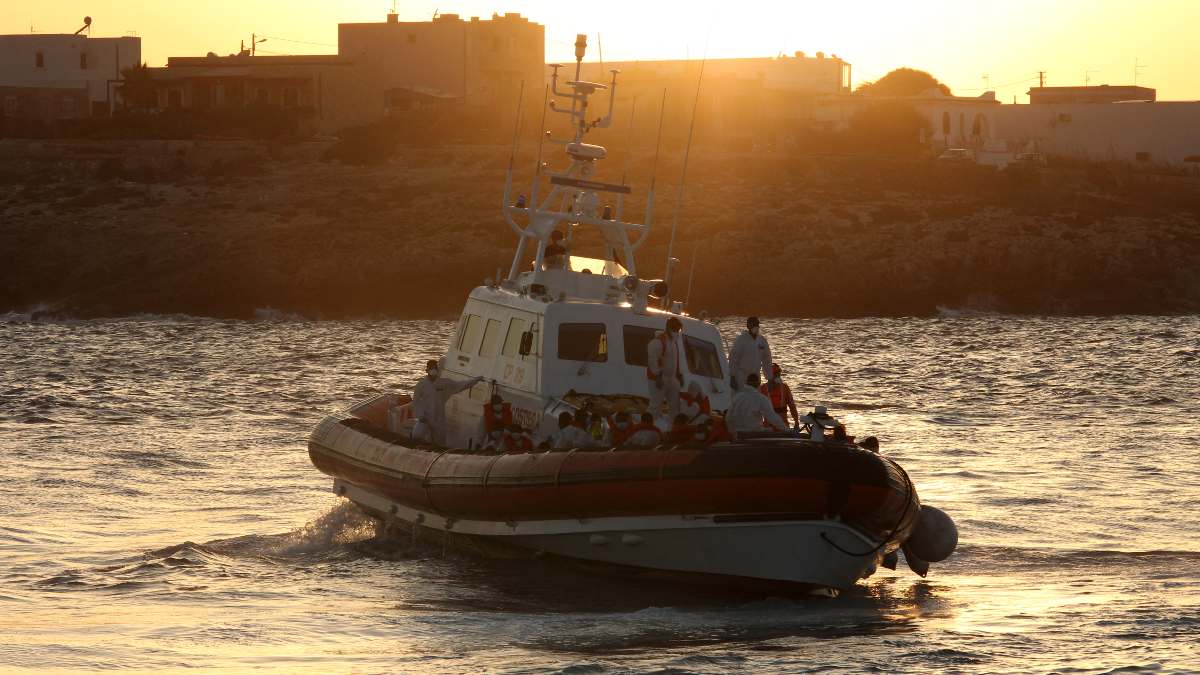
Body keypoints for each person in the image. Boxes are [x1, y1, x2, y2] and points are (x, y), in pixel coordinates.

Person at [412, 359, 483, 446]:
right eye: (431, 368)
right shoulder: (421, 384)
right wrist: (420, 415)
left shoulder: (444, 383)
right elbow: (415, 402)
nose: (433, 370)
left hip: (439, 418)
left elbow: (460, 385)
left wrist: (476, 380)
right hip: (425, 418)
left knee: (440, 442)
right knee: (417, 435)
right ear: (427, 370)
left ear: (438, 370)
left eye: (435, 368)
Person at [726, 373, 788, 439]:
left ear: (746, 383)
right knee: (770, 430)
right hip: (754, 434)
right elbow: (773, 417)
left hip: (738, 434)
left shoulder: (736, 398)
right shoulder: (761, 399)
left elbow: (728, 418)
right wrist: (786, 429)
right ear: (759, 384)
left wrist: (733, 433)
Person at [646, 317, 684, 421]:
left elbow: (676, 361)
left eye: (678, 330)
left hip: (671, 378)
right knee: (655, 406)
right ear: (669, 328)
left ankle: (673, 429)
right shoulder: (658, 342)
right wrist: (657, 376)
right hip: (658, 378)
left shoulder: (674, 342)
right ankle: (646, 428)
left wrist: (679, 375)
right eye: (675, 329)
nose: (677, 332)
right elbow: (653, 362)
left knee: (675, 406)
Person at [728, 317, 772, 392]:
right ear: (748, 326)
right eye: (753, 325)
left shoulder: (762, 340)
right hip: (742, 378)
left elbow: (767, 359)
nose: (756, 327)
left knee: (755, 400)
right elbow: (733, 358)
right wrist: (732, 377)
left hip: (756, 378)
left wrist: (769, 378)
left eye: (757, 324)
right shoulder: (741, 340)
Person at [759, 363, 799, 428]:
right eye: (776, 374)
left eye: (779, 374)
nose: (778, 375)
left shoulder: (784, 388)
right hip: (768, 427)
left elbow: (792, 406)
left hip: (783, 426)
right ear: (770, 376)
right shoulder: (762, 388)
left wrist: (796, 421)